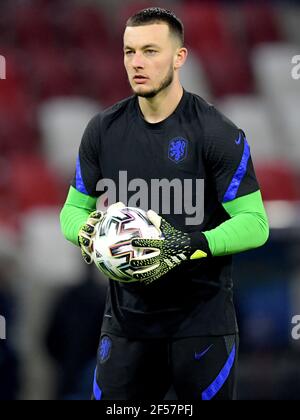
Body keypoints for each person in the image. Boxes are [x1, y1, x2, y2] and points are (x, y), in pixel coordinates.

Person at [60, 7, 269, 400]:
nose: (137, 63)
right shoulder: (102, 130)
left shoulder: (216, 132)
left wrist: (186, 246)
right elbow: (71, 211)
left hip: (201, 327)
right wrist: (87, 233)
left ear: (179, 57)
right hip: (126, 328)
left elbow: (256, 223)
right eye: (129, 52)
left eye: (151, 51)